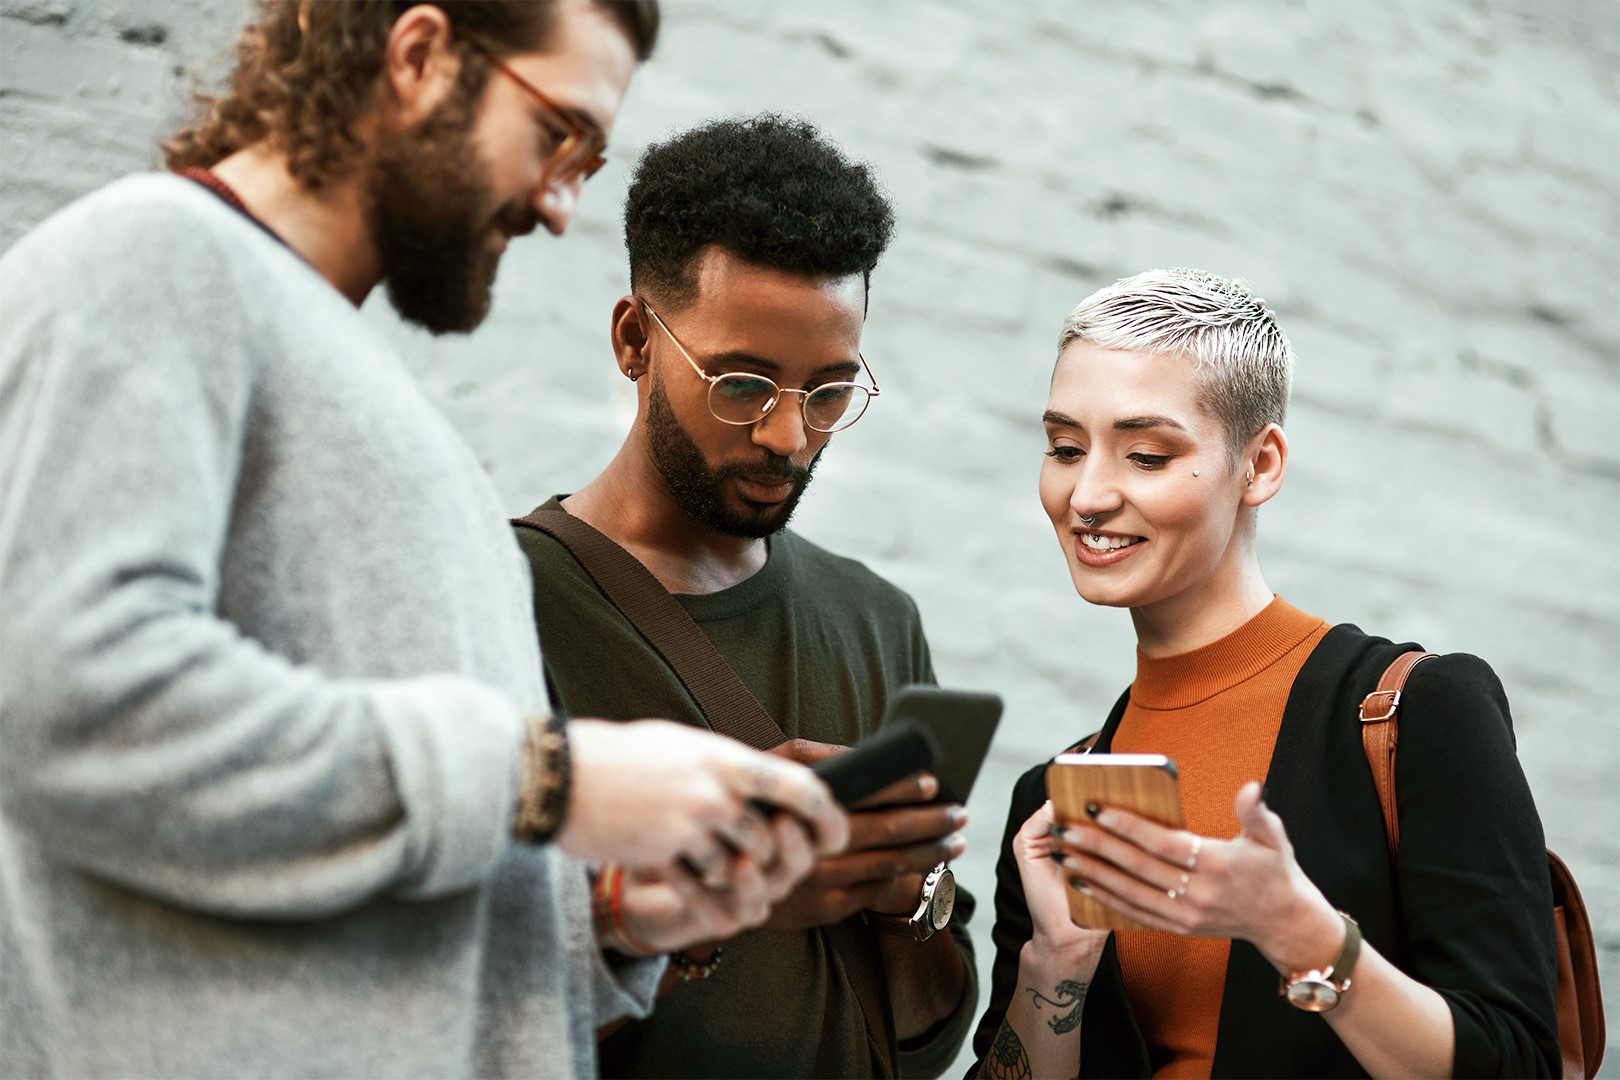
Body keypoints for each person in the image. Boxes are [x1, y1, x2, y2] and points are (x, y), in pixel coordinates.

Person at [0, 5, 849, 1078]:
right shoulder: (153, 260)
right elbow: (64, 704)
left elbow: (385, 929)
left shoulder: (387, 418)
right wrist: (551, 779)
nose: (559, 205)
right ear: (417, 56)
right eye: (556, 134)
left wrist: (613, 920)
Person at [969, 268, 1560, 1077]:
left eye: (1146, 454)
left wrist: (1297, 931)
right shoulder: (1052, 799)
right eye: (1065, 448)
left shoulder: (1420, 713)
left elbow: (1517, 1062)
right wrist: (1055, 969)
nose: (1088, 494)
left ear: (1261, 464)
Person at [514, 114, 978, 1078]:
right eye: (742, 384)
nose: (788, 436)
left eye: (830, 392)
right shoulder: (504, 600)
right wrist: (703, 898)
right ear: (636, 339)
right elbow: (452, 995)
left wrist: (906, 896)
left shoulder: (879, 622)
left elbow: (925, 1042)